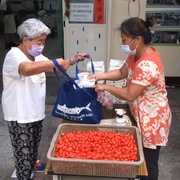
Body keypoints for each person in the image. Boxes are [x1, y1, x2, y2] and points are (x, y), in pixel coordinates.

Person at [1, 18, 89, 180]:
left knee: (33, 149)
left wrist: (72, 60)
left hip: (35, 111)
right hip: (20, 114)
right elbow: (26, 69)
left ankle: (29, 171)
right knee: (23, 155)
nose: (41, 46)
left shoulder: (38, 56)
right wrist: (54, 62)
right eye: (39, 42)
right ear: (25, 40)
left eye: (43, 42)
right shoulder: (13, 55)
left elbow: (54, 65)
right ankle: (23, 176)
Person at [89, 17, 172, 180]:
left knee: (148, 164)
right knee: (140, 158)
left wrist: (105, 87)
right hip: (142, 115)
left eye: (124, 40)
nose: (123, 44)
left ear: (138, 40)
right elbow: (121, 73)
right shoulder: (136, 56)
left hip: (152, 121)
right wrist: (99, 76)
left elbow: (130, 94)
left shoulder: (148, 64)